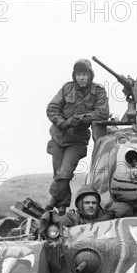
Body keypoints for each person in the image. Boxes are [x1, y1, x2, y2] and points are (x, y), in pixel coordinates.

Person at [45, 59, 110, 214]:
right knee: (59, 176)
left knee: (64, 174)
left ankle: (50, 203)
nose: (81, 78)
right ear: (74, 75)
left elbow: (102, 113)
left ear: (90, 75)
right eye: (78, 74)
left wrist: (78, 119)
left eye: (84, 74)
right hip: (58, 137)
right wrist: (62, 122)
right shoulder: (67, 88)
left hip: (77, 139)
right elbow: (52, 108)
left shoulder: (98, 91)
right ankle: (61, 209)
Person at [38, 185, 132, 235]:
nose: (91, 206)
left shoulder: (104, 213)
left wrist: (110, 214)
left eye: (94, 203)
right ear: (80, 205)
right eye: (87, 203)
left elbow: (126, 208)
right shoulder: (73, 217)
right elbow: (51, 222)